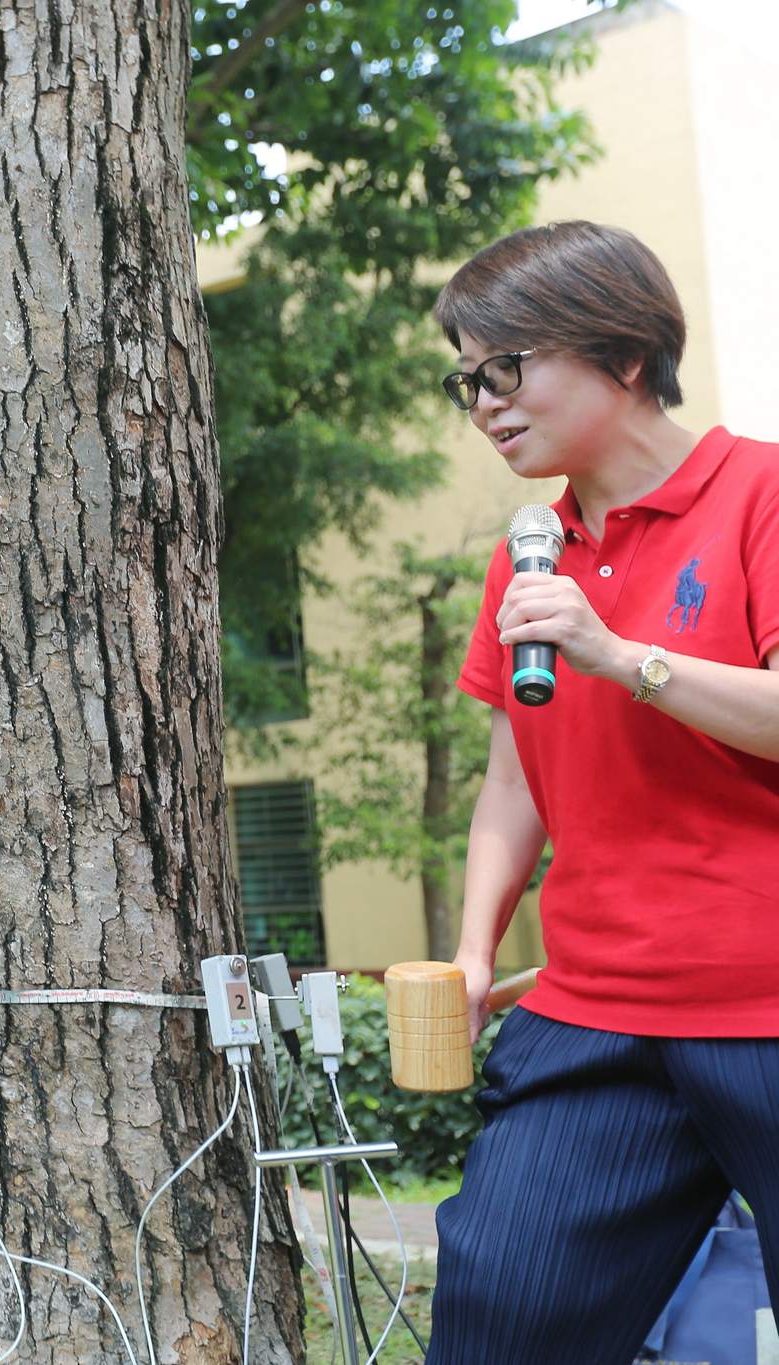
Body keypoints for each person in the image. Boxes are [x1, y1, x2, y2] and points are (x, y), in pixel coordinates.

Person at [426, 220, 779, 1363]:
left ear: (621, 355)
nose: (483, 403)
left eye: (504, 368)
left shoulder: (760, 494)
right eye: (465, 381)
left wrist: (624, 656)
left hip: (767, 1007)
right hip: (594, 1017)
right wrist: (476, 951)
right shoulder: (527, 555)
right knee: (497, 1324)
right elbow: (507, 786)